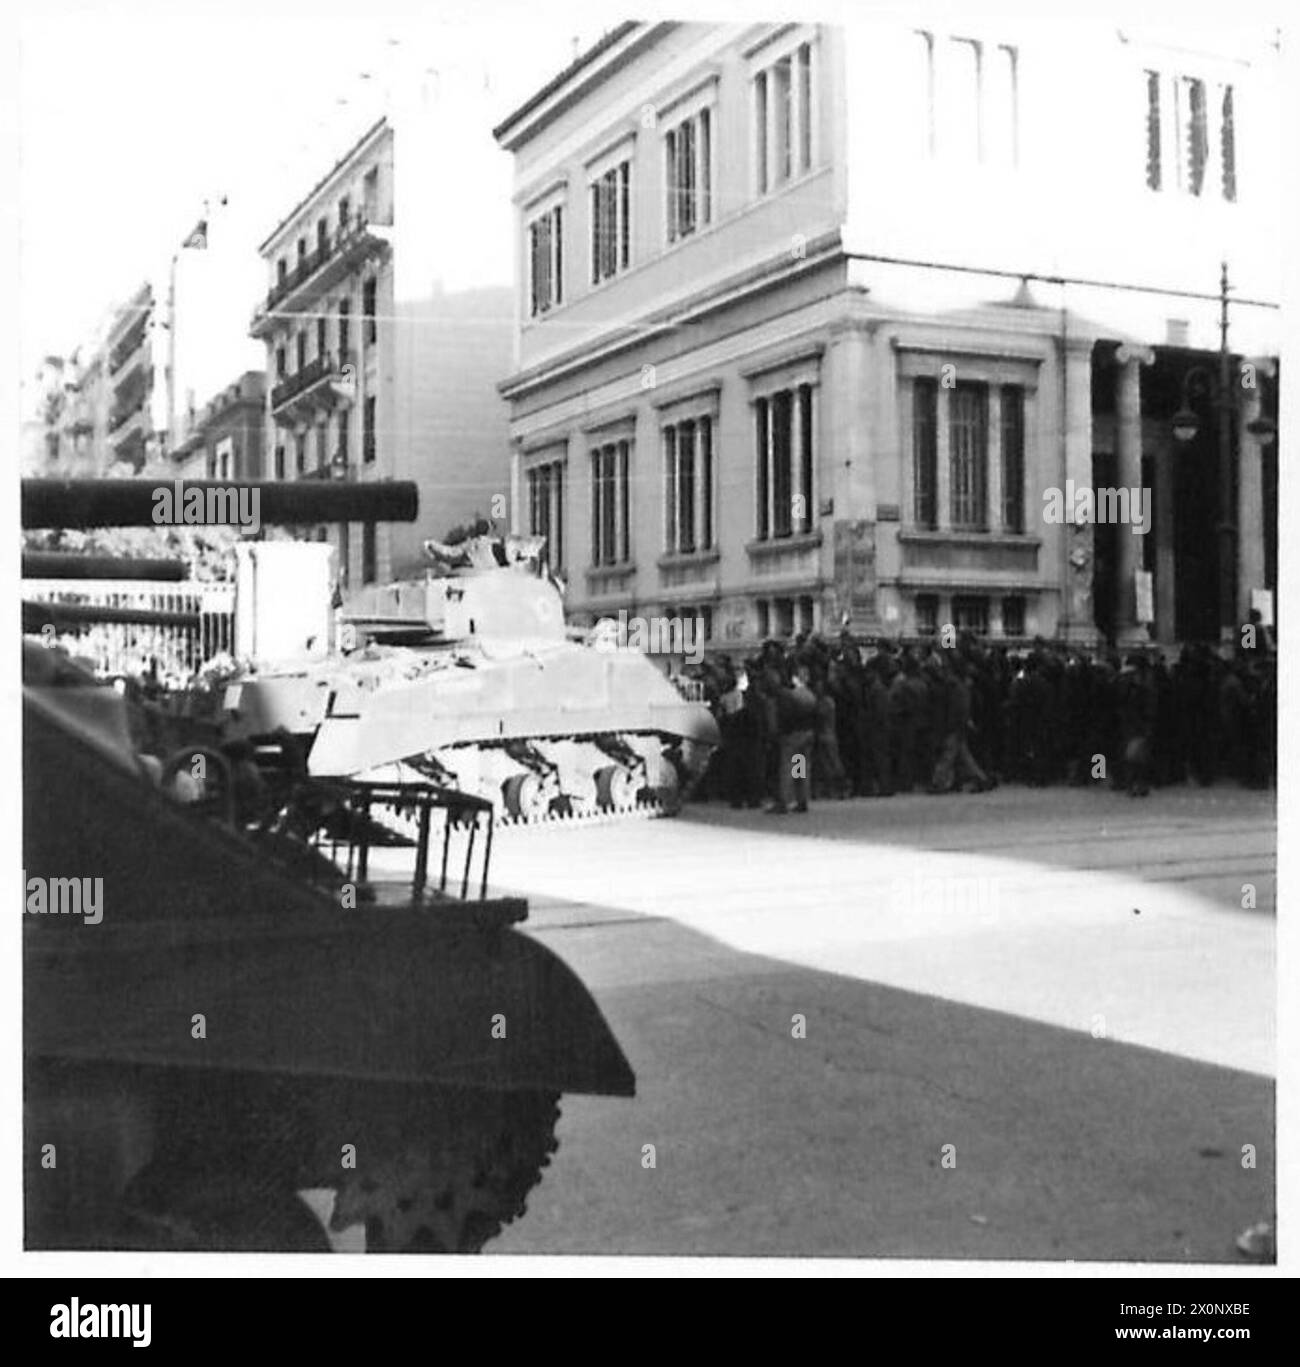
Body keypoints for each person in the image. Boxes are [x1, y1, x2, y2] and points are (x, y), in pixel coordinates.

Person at [768, 660, 818, 815]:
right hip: (807, 733)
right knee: (801, 767)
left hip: (792, 735)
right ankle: (801, 799)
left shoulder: (790, 695)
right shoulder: (811, 695)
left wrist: (781, 732)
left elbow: (786, 716)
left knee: (786, 768)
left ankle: (783, 800)